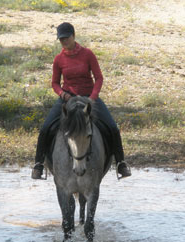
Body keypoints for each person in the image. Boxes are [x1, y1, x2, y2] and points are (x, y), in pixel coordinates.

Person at [31, 22, 131, 179]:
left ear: (74, 36)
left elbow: (98, 78)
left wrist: (92, 98)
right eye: (61, 39)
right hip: (67, 99)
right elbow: (55, 83)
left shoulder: (88, 54)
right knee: (45, 128)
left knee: (112, 127)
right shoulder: (58, 59)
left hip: (89, 98)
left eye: (66, 38)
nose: (64, 41)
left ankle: (121, 164)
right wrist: (63, 95)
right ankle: (38, 165)